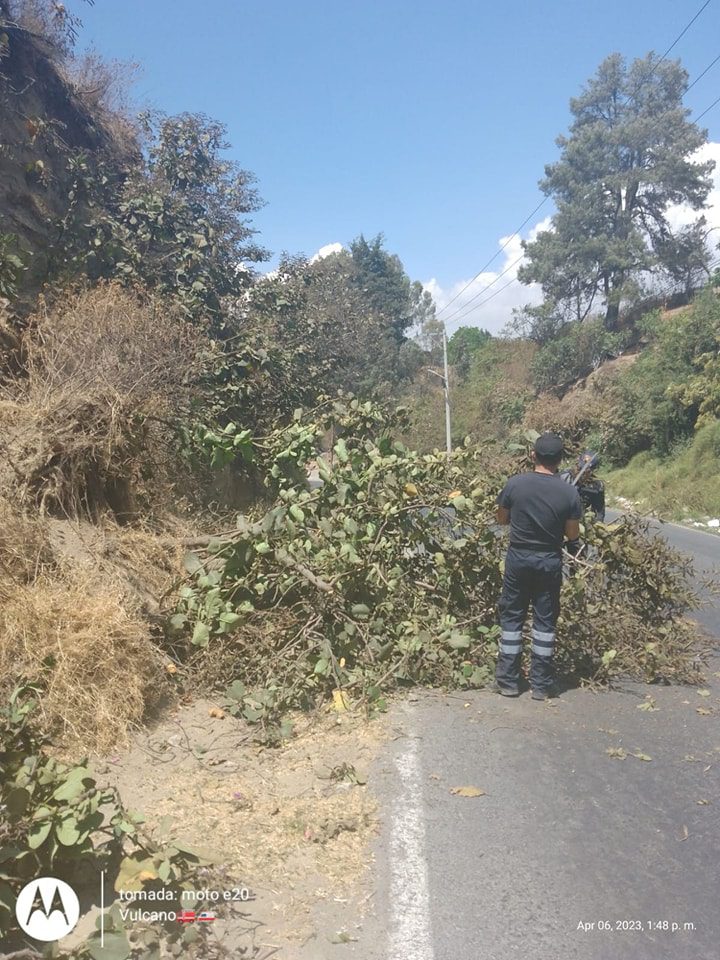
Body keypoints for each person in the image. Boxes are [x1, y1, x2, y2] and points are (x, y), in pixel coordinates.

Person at [494, 432, 583, 700]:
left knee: (512, 617)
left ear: (533, 455)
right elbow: (572, 535)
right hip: (548, 560)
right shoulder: (569, 492)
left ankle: (508, 682)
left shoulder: (515, 484)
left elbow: (500, 519)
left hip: (518, 558)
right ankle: (541, 685)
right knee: (544, 620)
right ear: (560, 459)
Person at [560, 450, 606, 521]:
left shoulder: (596, 486)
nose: (582, 473)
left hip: (579, 521)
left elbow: (599, 513)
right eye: (580, 468)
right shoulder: (562, 477)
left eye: (587, 471)